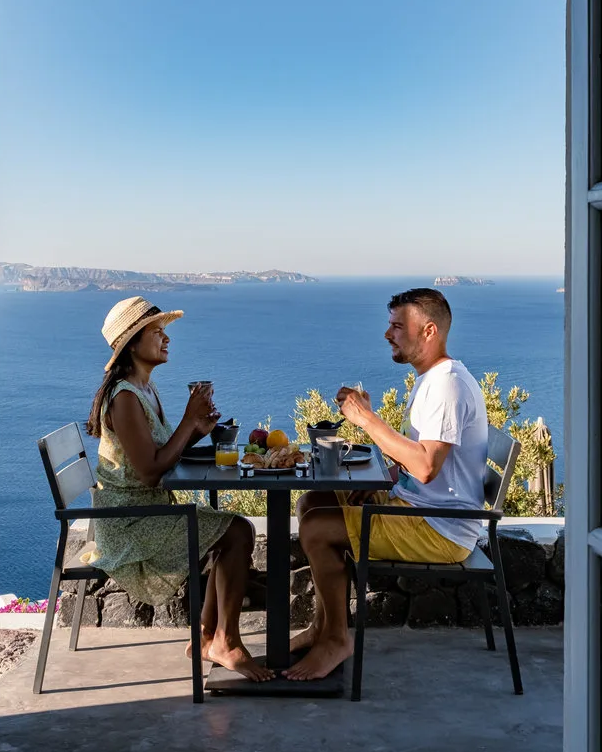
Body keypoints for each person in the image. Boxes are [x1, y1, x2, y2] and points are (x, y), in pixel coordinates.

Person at [287, 288, 487, 681]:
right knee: (314, 501)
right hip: (422, 507)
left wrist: (365, 421)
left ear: (428, 331)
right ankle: (321, 627)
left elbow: (427, 467)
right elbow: (424, 463)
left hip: (440, 528)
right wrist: (389, 472)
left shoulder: (446, 386)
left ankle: (336, 639)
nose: (387, 334)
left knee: (316, 527)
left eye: (398, 326)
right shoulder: (433, 379)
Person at [84, 295, 273, 682]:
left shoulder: (144, 390)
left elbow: (160, 455)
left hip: (145, 509)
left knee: (238, 531)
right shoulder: (124, 398)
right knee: (236, 532)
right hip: (130, 524)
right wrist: (188, 422)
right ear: (132, 343)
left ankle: (206, 636)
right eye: (157, 332)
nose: (166, 339)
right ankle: (225, 641)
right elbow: (151, 471)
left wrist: (196, 431)